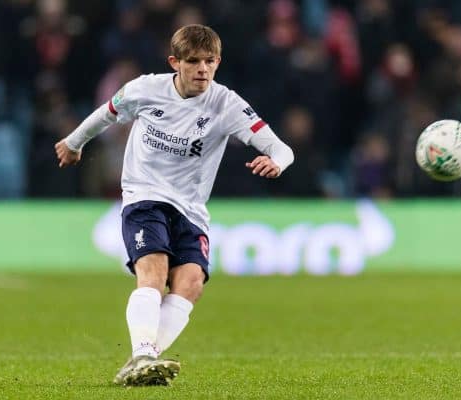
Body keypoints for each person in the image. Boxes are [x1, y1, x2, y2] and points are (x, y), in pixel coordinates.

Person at [54, 24, 294, 386]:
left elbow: (280, 147)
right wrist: (74, 143)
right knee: (153, 271)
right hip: (144, 197)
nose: (202, 69)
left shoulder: (226, 104)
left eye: (209, 61)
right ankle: (145, 354)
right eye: (194, 61)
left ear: (218, 62)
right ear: (174, 62)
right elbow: (107, 111)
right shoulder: (145, 89)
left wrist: (278, 163)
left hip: (191, 209)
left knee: (191, 283)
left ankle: (138, 362)